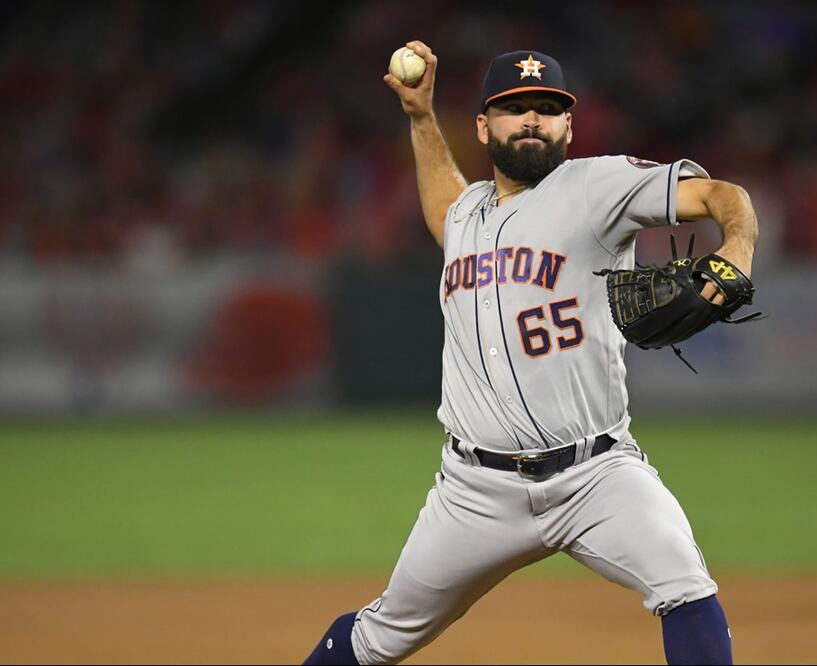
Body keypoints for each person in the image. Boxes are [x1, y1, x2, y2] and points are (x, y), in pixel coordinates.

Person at [303, 42, 759, 665]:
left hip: (596, 474)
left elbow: (720, 194)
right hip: (473, 490)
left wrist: (738, 244)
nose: (532, 120)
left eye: (547, 108)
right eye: (515, 108)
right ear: (485, 127)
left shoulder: (598, 186)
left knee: (685, 586)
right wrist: (419, 117)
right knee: (381, 637)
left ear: (569, 125)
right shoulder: (467, 215)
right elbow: (443, 204)